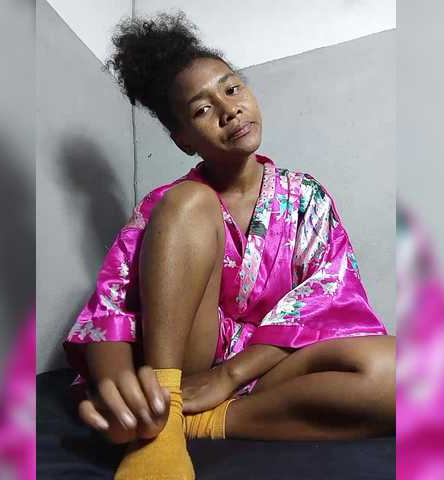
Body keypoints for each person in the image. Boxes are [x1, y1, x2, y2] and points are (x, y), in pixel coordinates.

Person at [62, 11, 395, 480]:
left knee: (403, 371)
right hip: (185, 368)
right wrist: (116, 387)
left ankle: (198, 422)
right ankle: (163, 411)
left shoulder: (305, 197)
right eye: (202, 109)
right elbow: (110, 308)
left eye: (232, 89)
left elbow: (331, 298)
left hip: (263, 368)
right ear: (183, 140)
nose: (229, 109)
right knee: (190, 200)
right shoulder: (169, 206)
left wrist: (231, 376)